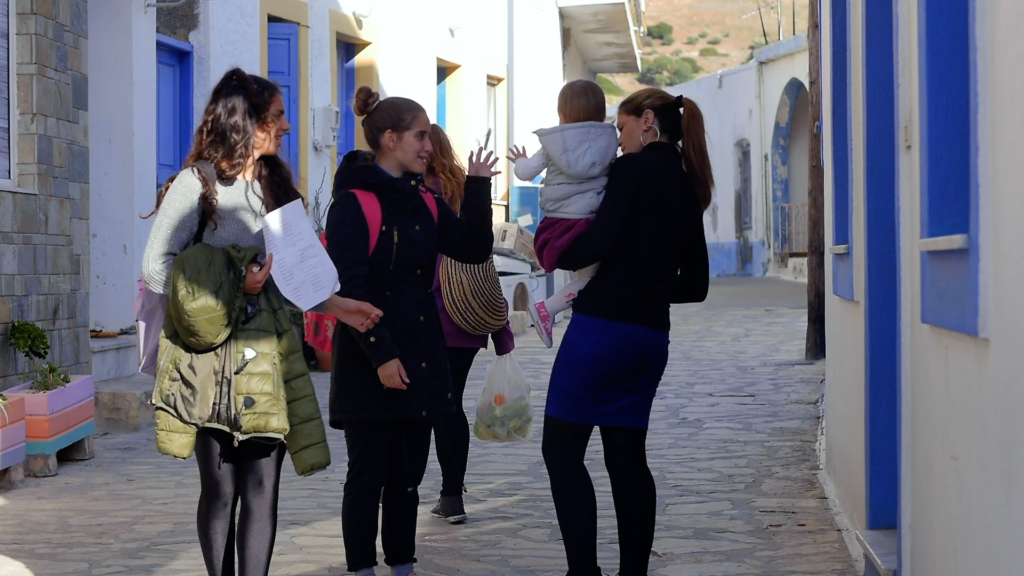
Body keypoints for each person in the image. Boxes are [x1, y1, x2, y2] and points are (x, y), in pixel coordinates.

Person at [141, 69, 382, 576]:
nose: (288, 126)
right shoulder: (198, 185)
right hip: (206, 362)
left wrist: (339, 307)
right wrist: (226, 292)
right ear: (245, 121)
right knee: (221, 488)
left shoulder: (275, 184)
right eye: (276, 116)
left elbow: (293, 273)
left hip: (267, 356)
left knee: (263, 486)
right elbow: (156, 267)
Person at [326, 87, 498, 576]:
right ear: (390, 138)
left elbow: (472, 248)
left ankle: (402, 565)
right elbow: (352, 289)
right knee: (367, 477)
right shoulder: (352, 205)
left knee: (405, 479)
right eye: (420, 136)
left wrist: (480, 187)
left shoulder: (424, 199)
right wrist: (381, 357)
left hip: (421, 358)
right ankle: (362, 567)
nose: (428, 145)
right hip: (369, 360)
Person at [540, 87, 712, 576]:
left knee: (561, 451)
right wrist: (647, 289)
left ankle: (584, 572)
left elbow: (599, 240)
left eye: (621, 127)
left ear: (647, 121)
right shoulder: (688, 184)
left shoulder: (630, 172)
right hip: (649, 338)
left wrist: (554, 251)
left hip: (601, 333)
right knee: (627, 457)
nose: (617, 140)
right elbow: (696, 285)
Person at [425, 123, 516, 524]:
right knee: (450, 402)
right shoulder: (463, 185)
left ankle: (406, 486)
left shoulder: (414, 187)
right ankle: (451, 494)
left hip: (434, 307)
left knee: (425, 406)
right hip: (468, 313)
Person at [506, 79, 619, 348]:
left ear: (562, 113)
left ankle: (549, 309)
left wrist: (520, 160)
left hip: (557, 225)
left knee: (584, 280)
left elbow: (525, 173)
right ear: (601, 112)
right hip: (590, 222)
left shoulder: (553, 144)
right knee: (589, 280)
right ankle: (548, 308)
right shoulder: (609, 143)